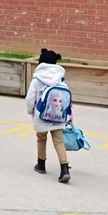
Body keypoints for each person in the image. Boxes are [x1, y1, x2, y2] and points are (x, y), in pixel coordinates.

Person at [25, 48, 72, 183]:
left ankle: (41, 164)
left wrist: (31, 111)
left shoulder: (37, 79)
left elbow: (30, 99)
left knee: (41, 138)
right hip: (58, 116)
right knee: (59, 141)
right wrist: (68, 116)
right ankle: (64, 169)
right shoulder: (60, 79)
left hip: (41, 116)